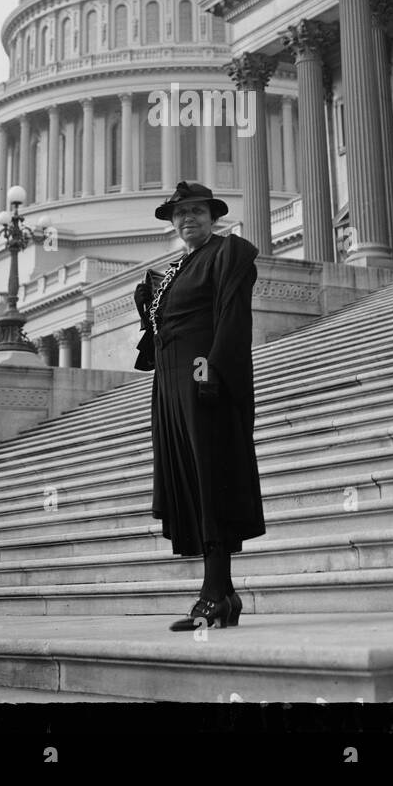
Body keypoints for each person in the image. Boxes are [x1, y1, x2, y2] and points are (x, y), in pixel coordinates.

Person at [133, 181, 265, 631]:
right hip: (170, 388)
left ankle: (214, 595)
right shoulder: (175, 268)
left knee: (212, 483)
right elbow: (160, 334)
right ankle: (223, 594)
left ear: (213, 216)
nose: (188, 218)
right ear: (172, 221)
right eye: (180, 213)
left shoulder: (229, 253)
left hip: (202, 380)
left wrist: (211, 371)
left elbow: (231, 319)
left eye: (197, 211)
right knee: (188, 483)